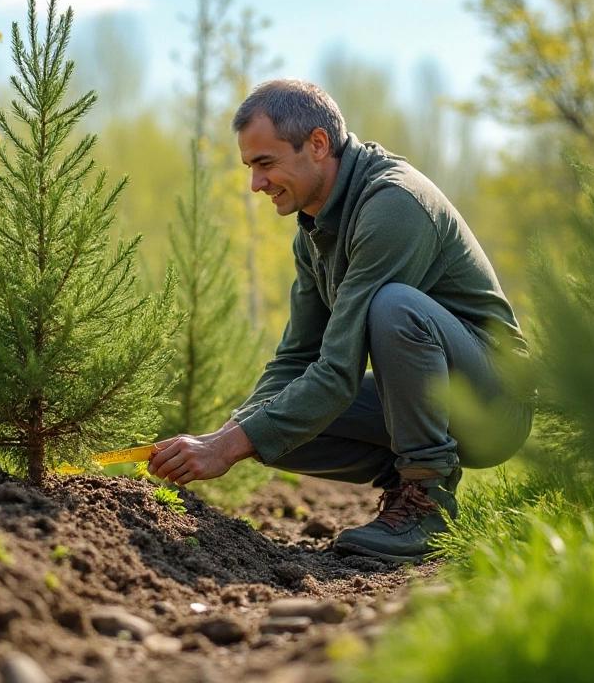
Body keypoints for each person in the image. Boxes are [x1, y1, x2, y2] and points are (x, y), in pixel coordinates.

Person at [148, 78, 533, 563]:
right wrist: (228, 435)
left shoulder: (393, 205)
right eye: (250, 167)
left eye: (265, 163)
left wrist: (227, 449)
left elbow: (337, 370)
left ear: (317, 144)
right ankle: (403, 481)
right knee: (267, 430)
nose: (256, 184)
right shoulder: (313, 230)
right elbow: (296, 357)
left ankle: (427, 503)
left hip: (494, 404)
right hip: (433, 400)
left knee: (394, 306)